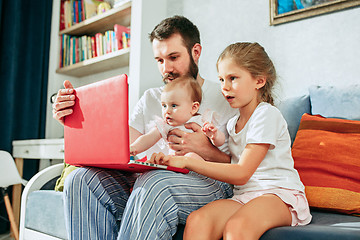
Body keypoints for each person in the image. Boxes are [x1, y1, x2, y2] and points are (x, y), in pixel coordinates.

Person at [52, 15, 237, 240]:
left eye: (173, 57)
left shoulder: (226, 98)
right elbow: (123, 147)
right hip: (148, 179)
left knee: (154, 183)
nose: (166, 68)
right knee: (80, 180)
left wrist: (206, 149)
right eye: (159, 60)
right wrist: (75, 120)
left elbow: (244, 167)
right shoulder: (152, 98)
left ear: (195, 52)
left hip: (207, 182)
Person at [150, 42, 312, 240]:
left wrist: (187, 161)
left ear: (259, 81)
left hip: (278, 194)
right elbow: (229, 163)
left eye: (232, 78)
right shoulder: (232, 123)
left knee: (237, 227)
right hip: (245, 196)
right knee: (198, 220)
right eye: (221, 79)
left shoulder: (267, 114)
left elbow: (242, 173)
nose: (224, 87)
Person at [130, 75, 220, 161]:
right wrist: (134, 147)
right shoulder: (166, 126)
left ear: (194, 108)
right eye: (164, 106)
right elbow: (148, 138)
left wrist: (215, 136)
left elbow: (219, 143)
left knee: (191, 156)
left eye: (173, 105)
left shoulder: (202, 121)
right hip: (176, 166)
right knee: (162, 158)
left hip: (198, 167)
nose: (167, 111)